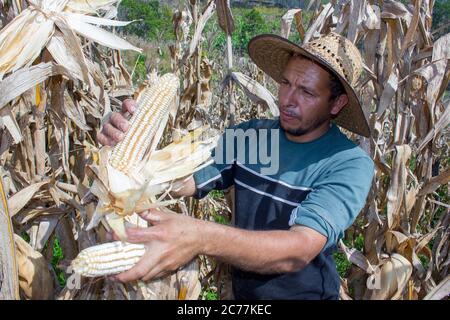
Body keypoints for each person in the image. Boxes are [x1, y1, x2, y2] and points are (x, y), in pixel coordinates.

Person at [97, 32, 374, 300]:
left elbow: (298, 249)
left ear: (336, 103)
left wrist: (199, 236)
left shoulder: (347, 163)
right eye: (286, 83)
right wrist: (129, 151)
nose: (287, 100)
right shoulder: (253, 138)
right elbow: (180, 179)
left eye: (306, 92)